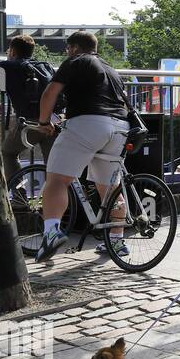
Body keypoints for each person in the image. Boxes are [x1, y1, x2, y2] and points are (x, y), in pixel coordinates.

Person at [32, 32, 131, 262]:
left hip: (89, 124)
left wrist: (44, 122)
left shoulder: (76, 61)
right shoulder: (111, 69)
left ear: (75, 48)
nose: (67, 52)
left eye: (68, 48)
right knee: (110, 188)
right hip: (119, 127)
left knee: (57, 179)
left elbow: (50, 93)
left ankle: (52, 233)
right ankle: (116, 241)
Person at [0, 34, 59, 180]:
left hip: (31, 123)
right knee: (53, 168)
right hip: (53, 121)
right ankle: (58, 200)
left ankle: (19, 199)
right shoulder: (44, 66)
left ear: (12, 51)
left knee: (8, 152)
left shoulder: (6, 66)